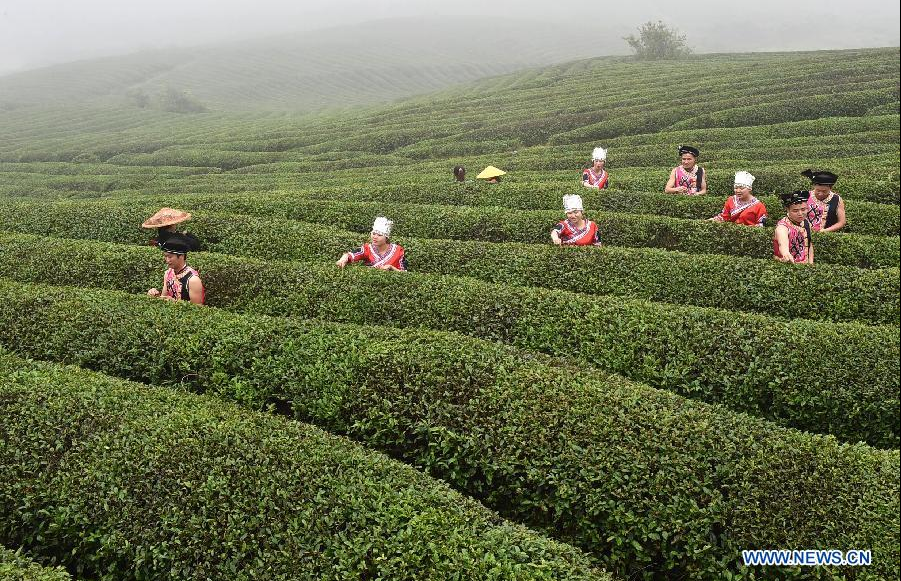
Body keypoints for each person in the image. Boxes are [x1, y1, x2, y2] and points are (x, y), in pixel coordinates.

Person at [147, 235, 206, 304]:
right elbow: (163, 297)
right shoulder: (168, 273)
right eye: (165, 256)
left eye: (170, 257)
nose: (167, 260)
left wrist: (175, 302)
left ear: (181, 256)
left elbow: (198, 307)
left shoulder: (193, 280)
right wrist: (155, 294)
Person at [336, 217, 407, 271]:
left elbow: (404, 272)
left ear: (386, 238)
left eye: (379, 235)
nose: (375, 237)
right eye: (373, 234)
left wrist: (392, 268)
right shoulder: (367, 248)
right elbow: (352, 255)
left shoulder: (398, 250)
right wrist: (344, 258)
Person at [773, 190, 814, 264]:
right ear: (788, 210)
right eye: (795, 211)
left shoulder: (806, 223)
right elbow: (783, 245)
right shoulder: (782, 228)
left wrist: (811, 264)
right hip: (787, 266)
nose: (800, 214)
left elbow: (809, 245)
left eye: (803, 209)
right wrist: (786, 254)